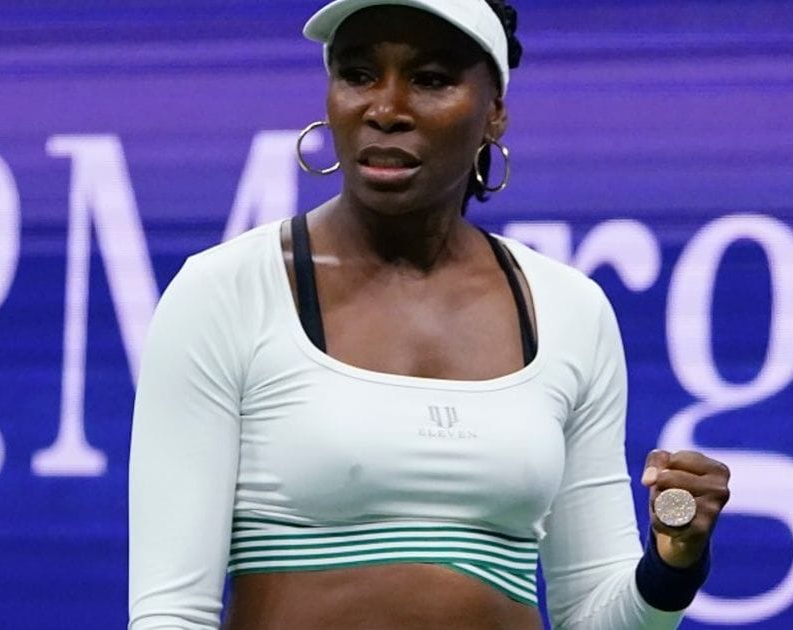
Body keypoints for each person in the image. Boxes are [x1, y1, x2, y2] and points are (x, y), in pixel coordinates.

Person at [128, 1, 731, 628]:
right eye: (358, 74)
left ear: (494, 112)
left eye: (431, 79)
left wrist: (672, 567)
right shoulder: (224, 290)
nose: (385, 109)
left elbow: (592, 614)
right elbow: (171, 612)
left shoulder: (570, 309)